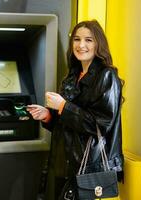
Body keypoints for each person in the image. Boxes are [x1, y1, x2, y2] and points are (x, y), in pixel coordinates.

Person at [27, 20, 124, 200]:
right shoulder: (72, 76)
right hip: (64, 162)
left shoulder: (107, 76)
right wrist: (48, 115)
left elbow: (100, 125)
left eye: (88, 40)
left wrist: (64, 106)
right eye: (77, 39)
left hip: (88, 166)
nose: (81, 45)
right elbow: (68, 123)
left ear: (98, 44)